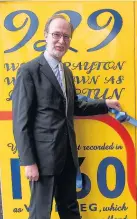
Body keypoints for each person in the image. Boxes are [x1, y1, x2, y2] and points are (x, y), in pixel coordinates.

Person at [12, 14, 121, 219]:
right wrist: (29, 162)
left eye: (66, 36)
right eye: (56, 35)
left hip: (67, 157)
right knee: (40, 213)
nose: (61, 41)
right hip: (42, 160)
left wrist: (105, 104)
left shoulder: (67, 72)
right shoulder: (29, 71)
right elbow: (21, 122)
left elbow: (74, 107)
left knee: (70, 210)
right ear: (45, 36)